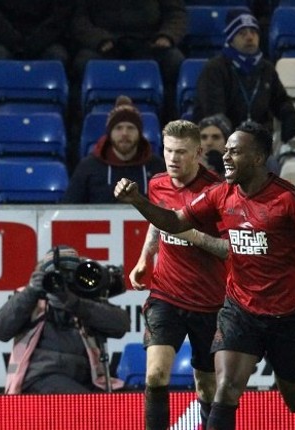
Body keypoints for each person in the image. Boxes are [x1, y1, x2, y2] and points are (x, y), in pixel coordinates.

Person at [115, 121, 295, 430]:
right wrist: (138, 201)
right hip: (240, 310)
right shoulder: (222, 194)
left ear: (258, 158)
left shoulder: (288, 199)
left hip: (289, 314)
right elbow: (175, 221)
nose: (226, 158)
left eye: (234, 152)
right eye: (226, 151)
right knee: (226, 389)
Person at [129, 120, 228, 430]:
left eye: (181, 152)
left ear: (198, 152)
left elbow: (229, 249)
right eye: (168, 150)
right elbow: (157, 219)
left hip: (210, 302)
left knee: (207, 386)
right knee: (156, 374)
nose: (172, 158)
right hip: (165, 295)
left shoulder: (218, 192)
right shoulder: (157, 183)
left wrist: (190, 234)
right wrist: (145, 257)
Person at [0, 245, 130, 394]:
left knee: (135, 405)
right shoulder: (30, 298)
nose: (62, 282)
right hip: (41, 377)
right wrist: (31, 292)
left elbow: (121, 325)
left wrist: (74, 303)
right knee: (85, 405)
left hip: (89, 379)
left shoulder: (84, 296)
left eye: (69, 274)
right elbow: (0, 331)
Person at [193, 10, 295, 147]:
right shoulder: (215, 69)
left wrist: (289, 116)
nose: (250, 37)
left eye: (254, 33)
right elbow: (215, 115)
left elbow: (280, 100)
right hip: (221, 143)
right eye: (242, 33)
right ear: (231, 39)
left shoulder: (266, 68)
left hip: (257, 144)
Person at [70, 0, 186, 119]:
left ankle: (168, 123)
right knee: (82, 63)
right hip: (105, 44)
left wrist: (166, 36)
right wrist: (99, 39)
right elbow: (79, 19)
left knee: (174, 61)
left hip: (150, 43)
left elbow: (176, 14)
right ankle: (82, 127)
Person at [62, 95, 165, 203]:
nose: (124, 133)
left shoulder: (157, 168)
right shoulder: (88, 168)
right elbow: (67, 210)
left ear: (139, 133)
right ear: (109, 134)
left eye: (130, 128)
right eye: (118, 128)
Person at [0, 0, 75, 70]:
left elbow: (60, 16)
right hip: (2, 38)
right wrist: (13, 40)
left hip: (44, 40)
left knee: (57, 55)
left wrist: (37, 41)